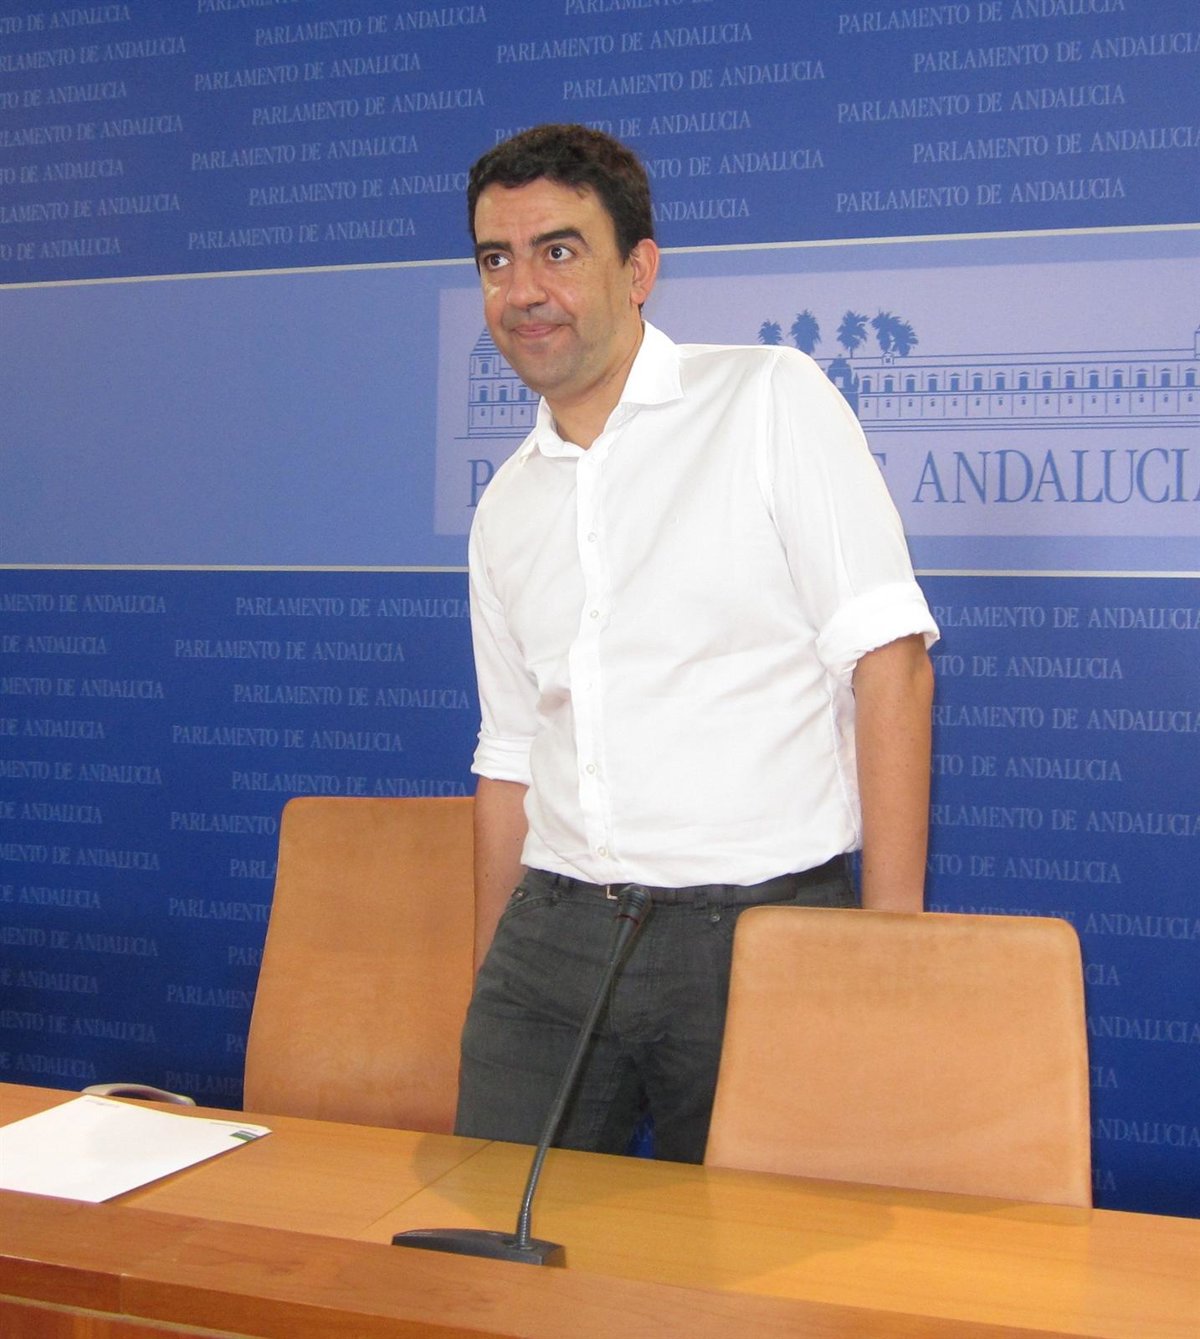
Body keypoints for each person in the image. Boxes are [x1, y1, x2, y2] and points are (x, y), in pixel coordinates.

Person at [455, 124, 938, 1164]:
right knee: (490, 1234)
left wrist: (890, 950)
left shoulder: (767, 398)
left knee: (755, 1254)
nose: (523, 289)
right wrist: (496, 966)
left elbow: (890, 662)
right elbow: (510, 760)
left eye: (557, 250)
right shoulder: (505, 508)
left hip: (758, 933)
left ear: (639, 271)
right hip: (551, 936)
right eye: (496, 259)